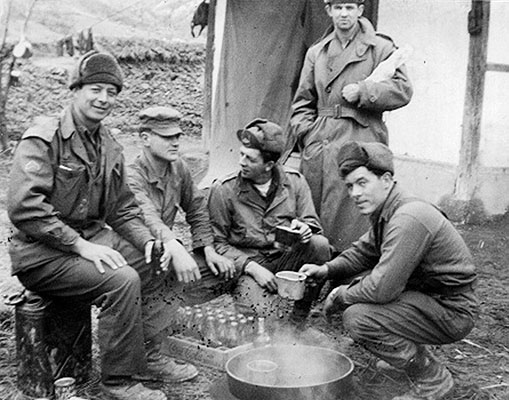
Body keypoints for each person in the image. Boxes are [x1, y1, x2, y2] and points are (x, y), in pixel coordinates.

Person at [7, 51, 195, 400]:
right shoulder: (43, 138)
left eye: (112, 92)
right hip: (40, 253)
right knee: (121, 279)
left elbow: (122, 208)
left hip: (89, 240)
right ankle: (119, 381)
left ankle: (149, 355)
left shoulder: (107, 144)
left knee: (159, 264)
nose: (104, 99)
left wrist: (149, 243)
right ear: (75, 90)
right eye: (95, 89)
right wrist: (81, 246)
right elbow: (25, 209)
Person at [300, 141, 478, 400]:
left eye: (362, 183)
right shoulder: (389, 209)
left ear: (386, 179)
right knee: (364, 290)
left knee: (359, 317)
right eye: (350, 186)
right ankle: (409, 356)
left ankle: (432, 378)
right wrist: (326, 269)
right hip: (432, 300)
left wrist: (339, 295)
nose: (355, 193)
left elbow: (383, 288)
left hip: (452, 309)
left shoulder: (407, 217)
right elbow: (362, 252)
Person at [289, 0, 413, 253]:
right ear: (329, 11)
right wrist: (307, 133)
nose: (343, 14)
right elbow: (302, 101)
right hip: (321, 140)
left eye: (349, 7)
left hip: (362, 137)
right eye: (337, 8)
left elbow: (403, 90)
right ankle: (316, 270)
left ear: (360, 10)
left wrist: (365, 91)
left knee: (355, 211)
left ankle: (350, 274)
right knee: (314, 212)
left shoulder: (380, 47)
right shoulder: (317, 52)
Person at [208, 118, 331, 326]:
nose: (241, 162)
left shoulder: (295, 182)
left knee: (320, 246)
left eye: (250, 159)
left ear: (269, 165)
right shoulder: (224, 190)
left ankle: (298, 321)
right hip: (249, 265)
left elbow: (312, 222)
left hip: (286, 258)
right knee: (265, 317)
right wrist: (251, 267)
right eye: (241, 155)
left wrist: (305, 228)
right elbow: (217, 243)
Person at [127, 106, 236, 310]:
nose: (175, 143)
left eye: (177, 136)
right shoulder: (132, 176)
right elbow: (148, 217)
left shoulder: (177, 167)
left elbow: (197, 208)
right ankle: (148, 316)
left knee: (223, 269)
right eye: (167, 137)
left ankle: (165, 311)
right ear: (145, 139)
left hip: (164, 253)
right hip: (137, 257)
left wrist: (208, 249)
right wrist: (174, 245)